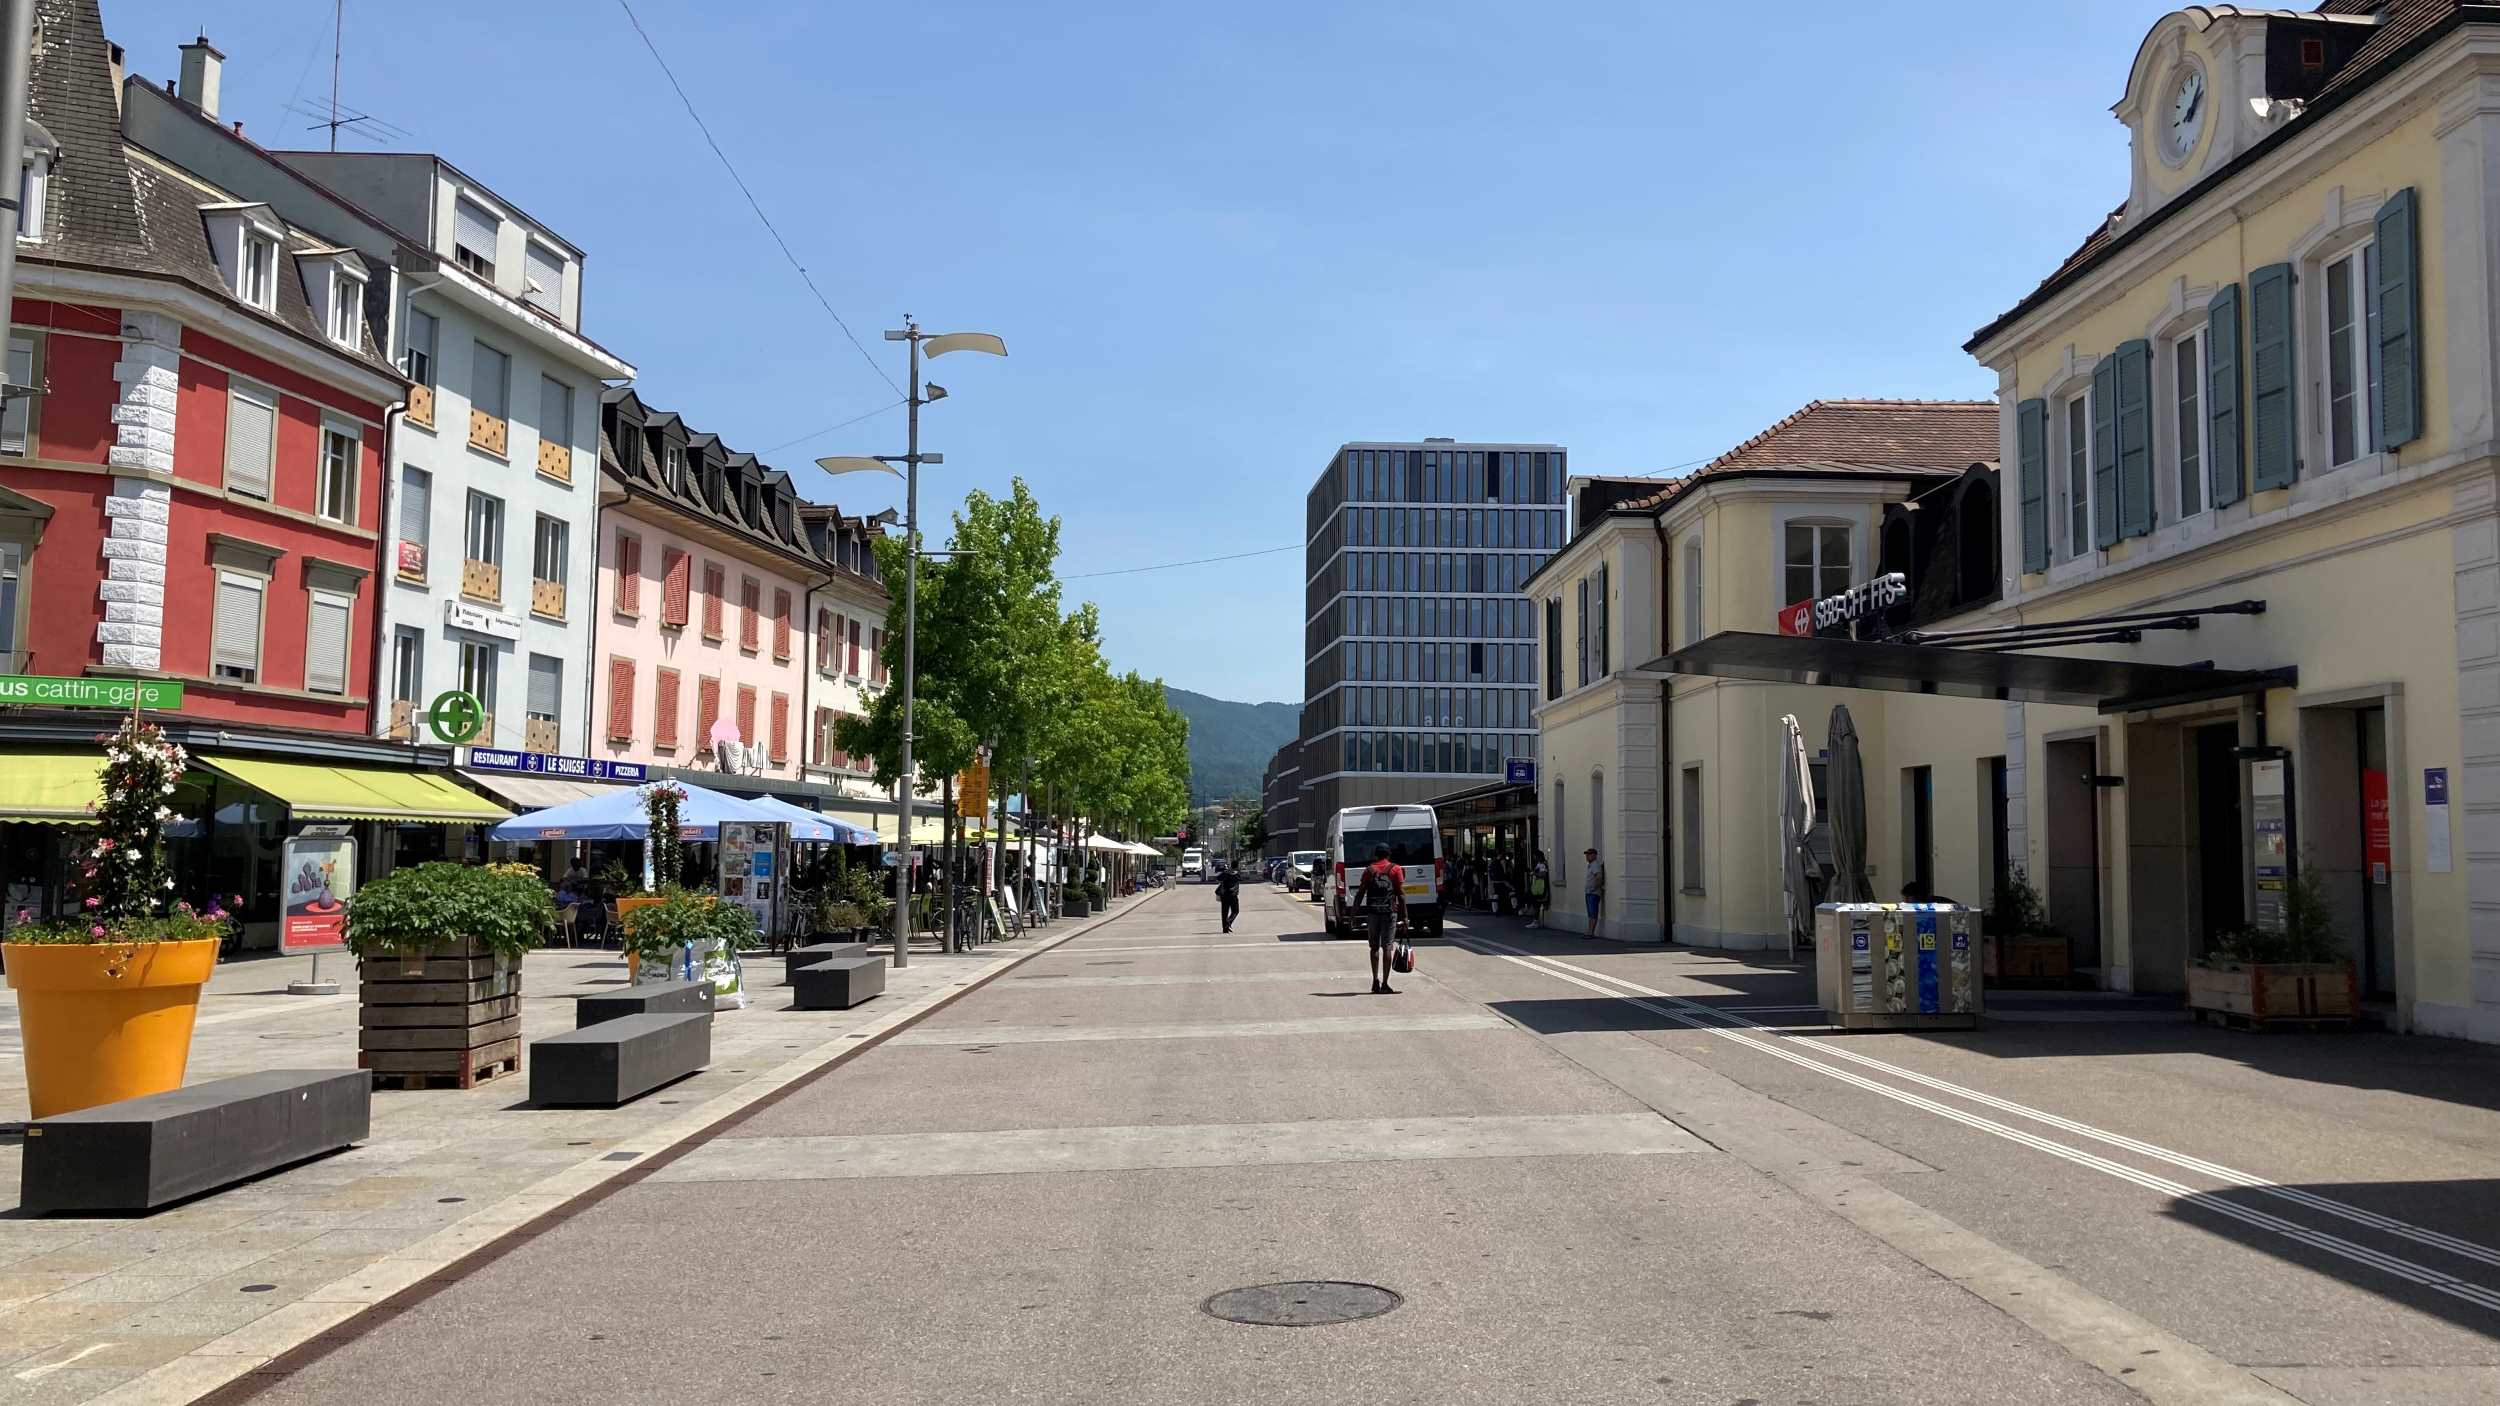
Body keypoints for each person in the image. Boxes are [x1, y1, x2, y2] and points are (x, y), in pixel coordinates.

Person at [1357, 842, 1406, 994]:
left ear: (1376, 855)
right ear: (1389, 854)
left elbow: (1360, 893)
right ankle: (1385, 983)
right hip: (1389, 913)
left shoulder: (1369, 870)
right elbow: (1401, 895)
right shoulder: (1395, 869)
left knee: (1374, 947)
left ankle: (1375, 981)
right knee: (1387, 947)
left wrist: (1353, 913)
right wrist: (1405, 917)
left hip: (1372, 913)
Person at [1583, 846, 1606, 937]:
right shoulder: (1591, 865)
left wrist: (1594, 888)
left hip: (1593, 893)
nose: (1587, 856)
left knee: (1593, 913)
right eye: (1587, 855)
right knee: (1590, 913)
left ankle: (1591, 932)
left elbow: (1599, 877)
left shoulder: (1595, 865)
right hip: (1589, 892)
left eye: (1589, 854)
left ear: (1594, 855)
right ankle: (1589, 931)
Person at [1214, 863, 1241, 934]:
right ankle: (1228, 923)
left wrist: (1225, 874)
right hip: (1233, 895)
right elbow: (1240, 879)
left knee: (1224, 912)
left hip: (1224, 895)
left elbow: (1218, 878)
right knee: (1235, 911)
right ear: (1237, 867)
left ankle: (1225, 929)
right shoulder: (1237, 874)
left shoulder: (1226, 873)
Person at [1526, 852, 1549, 929]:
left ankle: (1535, 921)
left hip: (1540, 888)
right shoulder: (1539, 864)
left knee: (1537, 904)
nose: (1534, 858)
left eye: (1535, 856)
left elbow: (1543, 875)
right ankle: (1535, 920)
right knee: (1535, 904)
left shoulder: (1542, 864)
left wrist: (1534, 874)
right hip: (1536, 887)